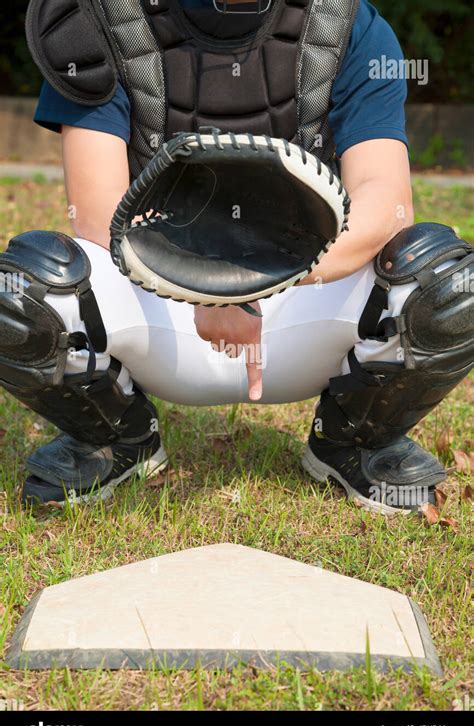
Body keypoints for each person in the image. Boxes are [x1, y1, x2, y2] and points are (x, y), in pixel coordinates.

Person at [0, 0, 472, 512]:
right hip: (158, 309)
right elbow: (98, 212)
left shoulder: (349, 24)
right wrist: (204, 280)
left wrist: (248, 280)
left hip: (299, 305)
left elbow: (385, 205)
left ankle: (355, 440)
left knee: (447, 283)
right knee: (23, 291)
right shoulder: (100, 21)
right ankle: (114, 436)